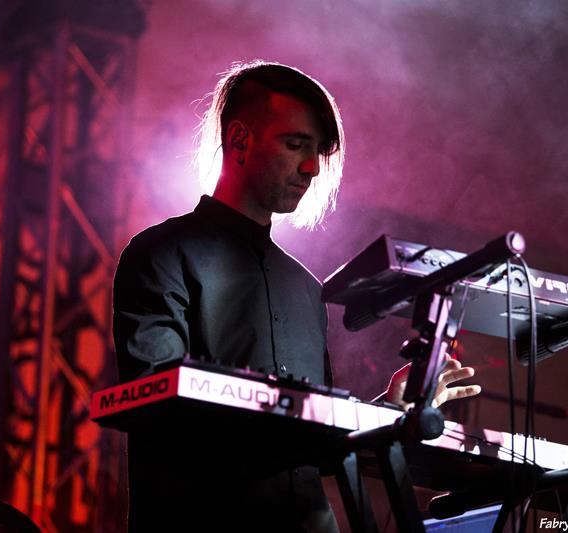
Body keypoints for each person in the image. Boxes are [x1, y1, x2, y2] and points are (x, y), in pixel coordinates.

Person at [112, 60, 480, 532]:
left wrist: (391, 409)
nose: (312, 168)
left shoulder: (307, 288)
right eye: (295, 145)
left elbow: (322, 450)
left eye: (319, 151)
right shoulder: (161, 253)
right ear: (239, 140)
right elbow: (159, 404)